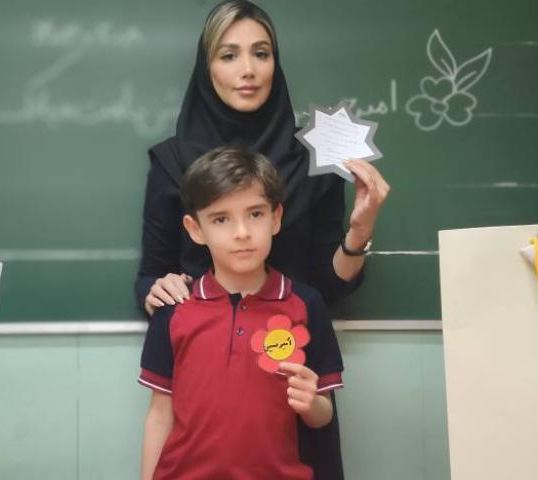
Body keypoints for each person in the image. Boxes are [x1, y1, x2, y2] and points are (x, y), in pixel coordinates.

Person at [135, 1, 390, 477]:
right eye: (229, 55)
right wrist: (158, 288)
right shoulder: (172, 163)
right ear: (207, 66)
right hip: (205, 400)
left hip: (291, 385)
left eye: (261, 53)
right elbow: (151, 275)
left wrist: (359, 232)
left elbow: (328, 287)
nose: (248, 70)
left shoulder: (313, 161)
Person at [139, 146, 345, 480]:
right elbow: (160, 415)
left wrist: (312, 403)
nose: (242, 232)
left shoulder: (306, 304)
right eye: (221, 219)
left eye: (255, 214)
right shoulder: (174, 310)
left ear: (275, 218)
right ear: (195, 229)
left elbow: (323, 414)